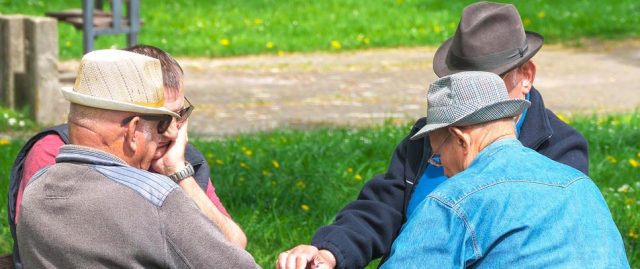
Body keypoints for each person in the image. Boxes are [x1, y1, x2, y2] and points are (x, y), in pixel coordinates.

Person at [277, 2, 589, 268]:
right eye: (462, 82)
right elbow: (382, 207)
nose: (473, 97)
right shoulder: (432, 135)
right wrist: (330, 251)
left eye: (488, 83)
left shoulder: (558, 149)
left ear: (526, 76)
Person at [8, 45, 246, 268]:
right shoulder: (159, 199)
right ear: (132, 130)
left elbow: (232, 247)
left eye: (180, 115)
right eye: (162, 121)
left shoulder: (42, 181)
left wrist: (178, 172)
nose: (174, 131)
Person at [380, 71, 629, 268]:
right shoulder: (581, 186)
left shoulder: (452, 203)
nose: (442, 168)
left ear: (460, 140)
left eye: (437, 155)